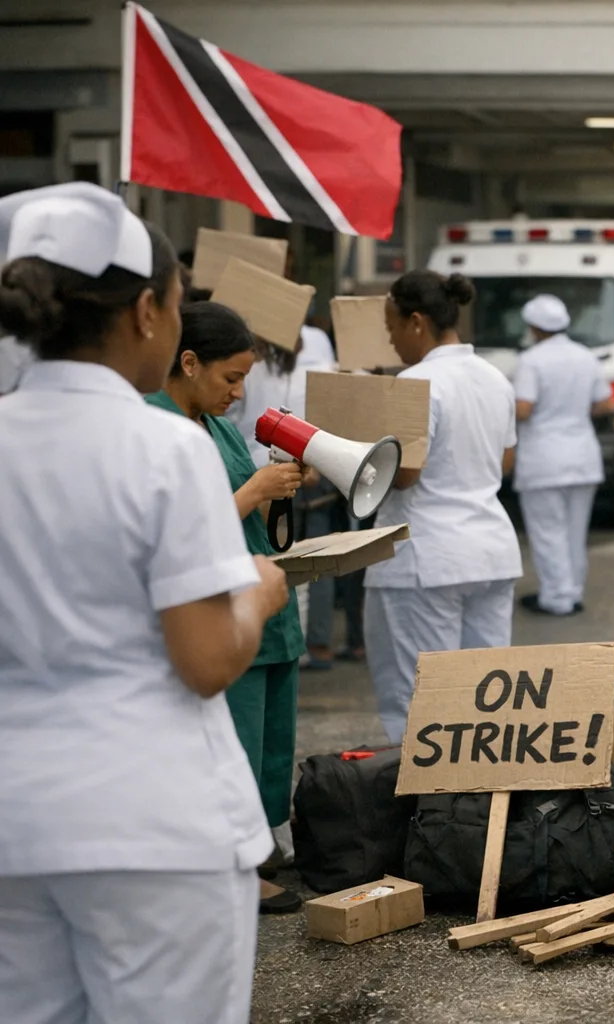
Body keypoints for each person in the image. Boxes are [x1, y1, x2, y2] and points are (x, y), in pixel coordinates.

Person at [0, 183, 289, 1023]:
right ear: (146, 312)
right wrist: (260, 595)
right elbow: (207, 660)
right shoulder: (164, 448)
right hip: (152, 822)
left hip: (16, 822)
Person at [146, 302, 308, 915]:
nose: (239, 393)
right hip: (214, 611)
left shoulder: (219, 428)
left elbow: (244, 515)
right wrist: (252, 491)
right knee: (232, 745)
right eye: (231, 378)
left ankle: (258, 848)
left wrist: (277, 490)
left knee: (269, 744)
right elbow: (179, 529)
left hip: (263, 603)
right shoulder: (155, 426)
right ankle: (234, 864)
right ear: (189, 362)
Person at [364, 270, 522, 742]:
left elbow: (406, 473)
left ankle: (423, 792)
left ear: (416, 322)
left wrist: (354, 451)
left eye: (392, 327)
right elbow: (506, 461)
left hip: (426, 558)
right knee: (486, 703)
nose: (391, 341)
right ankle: (482, 789)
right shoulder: (494, 378)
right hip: (490, 551)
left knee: (422, 707)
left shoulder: (417, 382)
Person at [227, 327, 339, 669]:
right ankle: (309, 643)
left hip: (261, 469)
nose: (236, 390)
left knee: (284, 559)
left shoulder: (256, 371)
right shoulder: (306, 366)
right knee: (298, 564)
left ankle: (297, 642)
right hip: (269, 473)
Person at [513, 294, 614, 616]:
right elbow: (606, 404)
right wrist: (574, 410)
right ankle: (572, 592)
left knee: (548, 533)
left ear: (534, 327)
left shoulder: (531, 360)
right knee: (575, 532)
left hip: (544, 459)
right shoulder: (586, 357)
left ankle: (556, 597)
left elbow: (524, 408)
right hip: (583, 455)